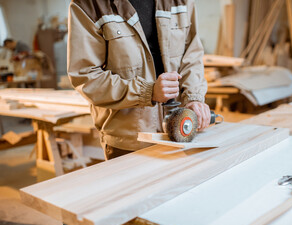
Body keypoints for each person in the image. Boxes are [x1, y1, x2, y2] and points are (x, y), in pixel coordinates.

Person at [68, 0, 210, 160]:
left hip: (182, 132)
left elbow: (192, 54)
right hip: (130, 142)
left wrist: (194, 98)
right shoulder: (90, 5)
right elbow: (86, 77)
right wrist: (147, 92)